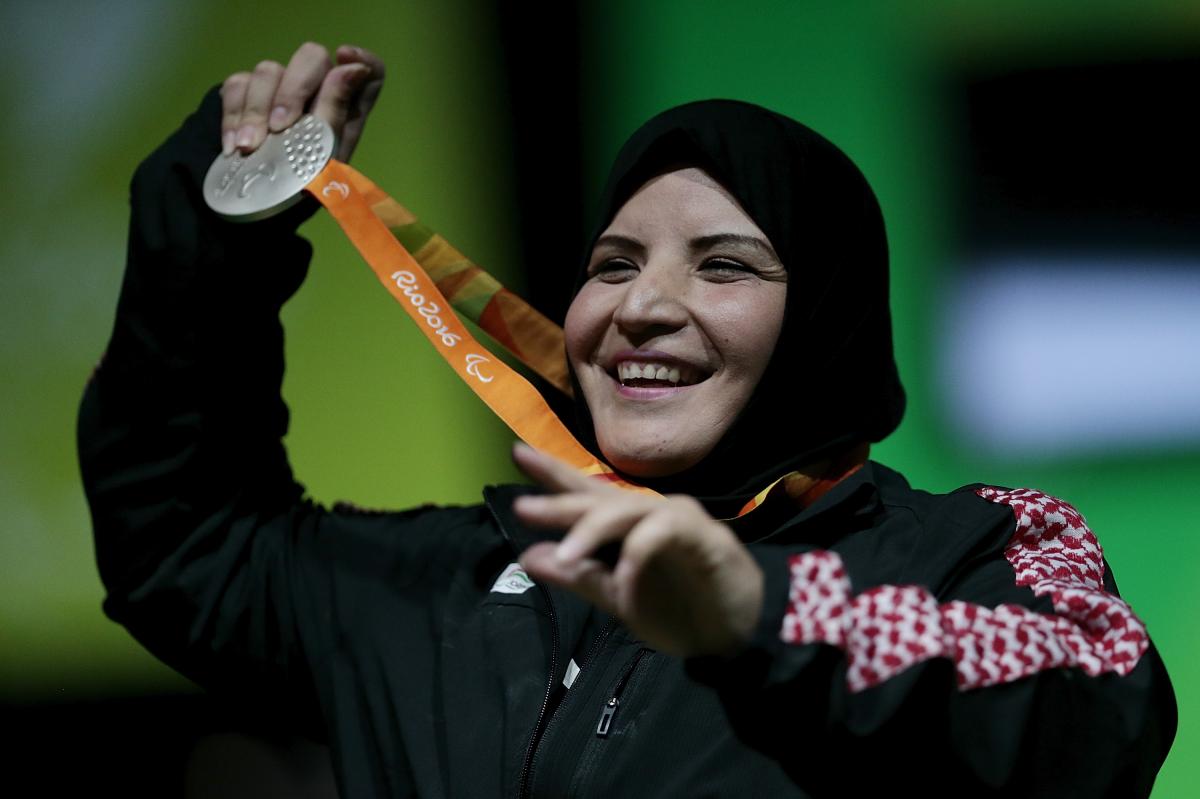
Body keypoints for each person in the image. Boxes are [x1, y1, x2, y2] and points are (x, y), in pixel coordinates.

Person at [79, 42, 1176, 797]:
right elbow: (184, 539)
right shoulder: (468, 576)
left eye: (726, 265)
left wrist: (757, 610)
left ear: (828, 324)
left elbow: (1095, 712)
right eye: (612, 265)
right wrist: (215, 231)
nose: (641, 307)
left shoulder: (975, 545)